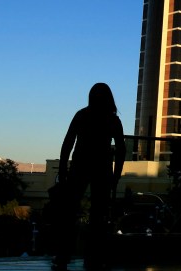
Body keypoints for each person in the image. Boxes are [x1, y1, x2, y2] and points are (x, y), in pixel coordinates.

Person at [52, 83, 125, 271]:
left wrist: (63, 169)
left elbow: (68, 143)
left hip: (79, 165)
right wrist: (116, 175)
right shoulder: (112, 120)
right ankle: (93, 256)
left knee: (69, 211)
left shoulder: (82, 115)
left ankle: (63, 255)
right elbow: (121, 150)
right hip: (102, 168)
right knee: (98, 214)